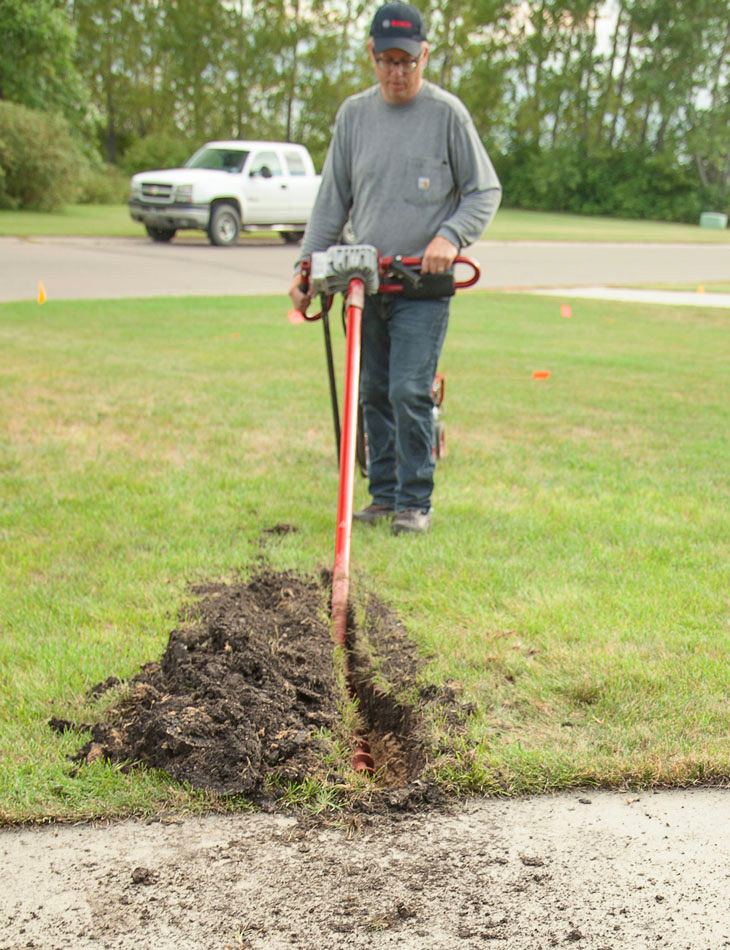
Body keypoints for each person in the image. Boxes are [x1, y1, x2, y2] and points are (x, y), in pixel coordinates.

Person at [288, 1, 501, 535]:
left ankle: (415, 502)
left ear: (424, 55)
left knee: (409, 388)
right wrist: (305, 269)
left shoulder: (447, 115)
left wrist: (449, 237)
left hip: (423, 284)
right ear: (371, 57)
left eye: (407, 61)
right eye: (386, 60)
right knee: (372, 392)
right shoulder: (354, 116)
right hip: (366, 281)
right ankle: (382, 495)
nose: (397, 72)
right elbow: (331, 204)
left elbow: (484, 190)